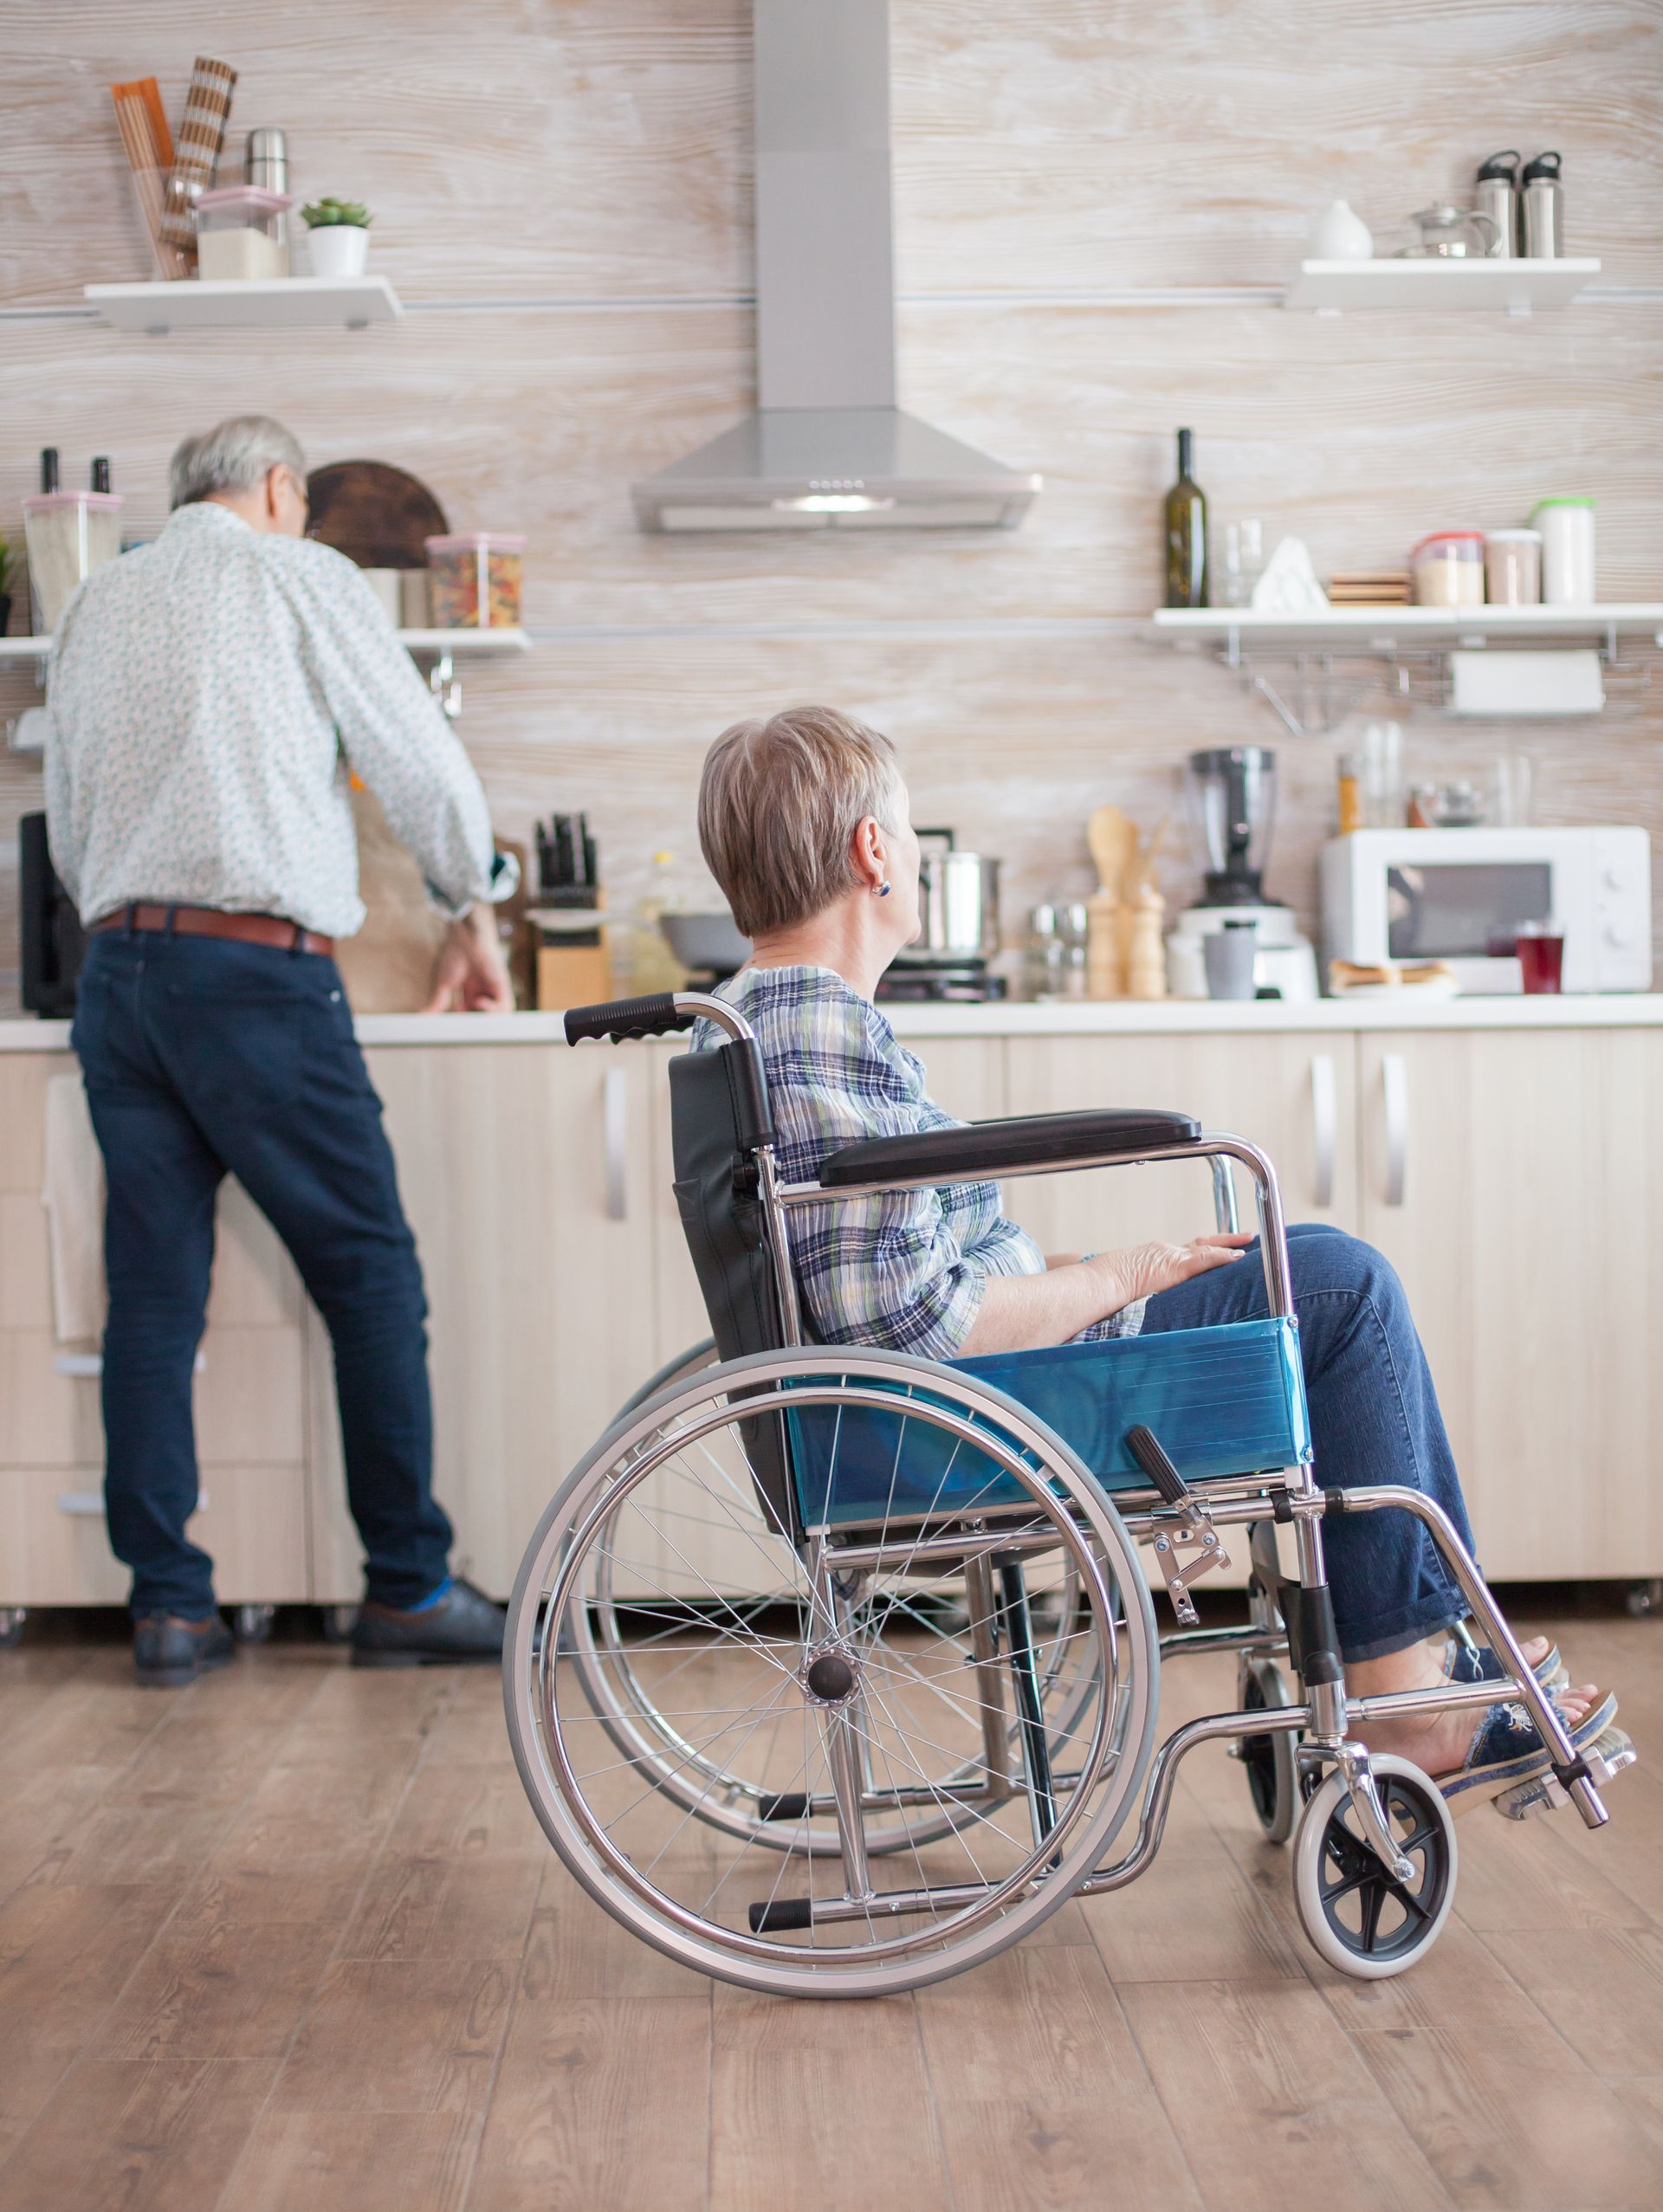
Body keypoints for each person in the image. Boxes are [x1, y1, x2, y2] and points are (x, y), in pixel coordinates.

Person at [689, 705, 1627, 1814]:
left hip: (953, 1405)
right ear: (874, 852)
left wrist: (1093, 1268)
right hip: (979, 1420)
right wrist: (1123, 1273)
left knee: (1309, 1264)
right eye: (909, 831)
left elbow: (890, 1284)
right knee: (1341, 1288)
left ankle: (1420, 1662)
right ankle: (1412, 1695)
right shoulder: (823, 1028)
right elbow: (916, 1324)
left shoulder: (754, 1019)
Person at [45, 415, 516, 1686]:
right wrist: (478, 893)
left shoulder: (99, 603)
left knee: (152, 1297)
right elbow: (418, 767)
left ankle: (170, 1609)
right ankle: (409, 1589)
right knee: (369, 1278)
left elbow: (69, 833)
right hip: (252, 980)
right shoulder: (299, 572)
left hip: (119, 980)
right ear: (278, 490)